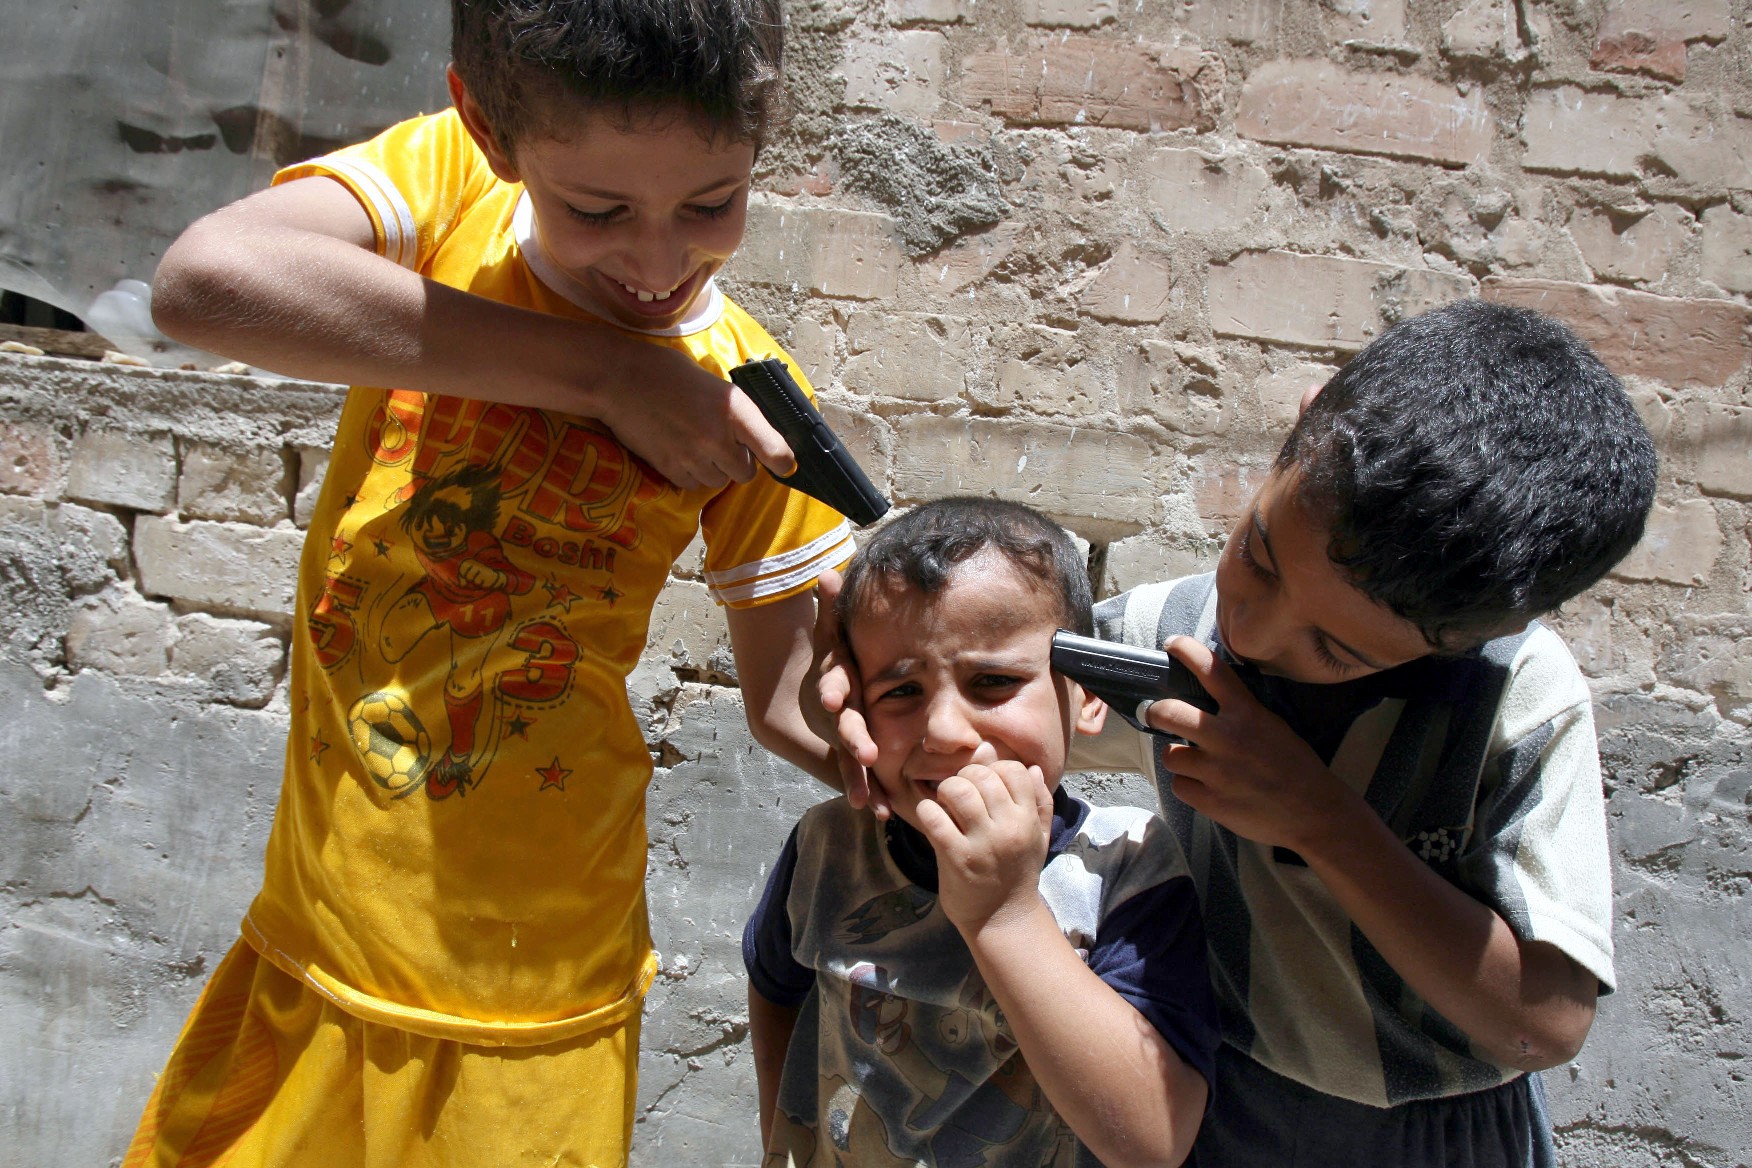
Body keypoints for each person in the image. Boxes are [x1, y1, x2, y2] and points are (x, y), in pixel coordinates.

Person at [125, 2, 855, 1164]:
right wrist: (610, 376)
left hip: (539, 997)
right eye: (600, 211)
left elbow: (786, 706)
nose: (659, 262)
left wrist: (948, 741)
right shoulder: (451, 188)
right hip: (313, 944)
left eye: (711, 205)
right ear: (489, 125)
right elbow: (202, 282)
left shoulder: (748, 405)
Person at [815, 300, 1658, 1166]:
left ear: (1470, 634)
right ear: (1304, 420)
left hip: (1441, 1133)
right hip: (1226, 1105)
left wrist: (1316, 818)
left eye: (1333, 647)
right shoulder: (1166, 632)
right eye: (1257, 553)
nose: (1251, 629)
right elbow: (957, 726)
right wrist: (849, 683)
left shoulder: (1514, 696)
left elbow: (1545, 1023)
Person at [748, 498, 1219, 1168]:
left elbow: (1153, 1140)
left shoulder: (1122, 868)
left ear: (1086, 695)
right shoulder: (831, 848)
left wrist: (1007, 915)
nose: (944, 731)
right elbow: (776, 989)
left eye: (993, 682)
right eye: (900, 693)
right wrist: (784, 1131)